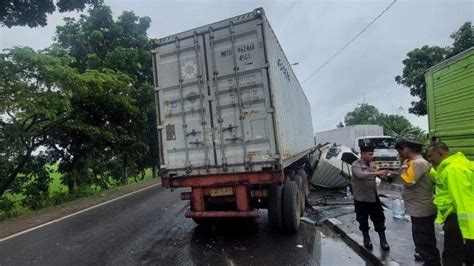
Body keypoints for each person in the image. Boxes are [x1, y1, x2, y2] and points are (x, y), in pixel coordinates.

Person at [427, 142, 474, 266]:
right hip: (457, 221)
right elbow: (442, 180)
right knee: (466, 256)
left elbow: (463, 201)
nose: (429, 158)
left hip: (459, 223)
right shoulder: (449, 168)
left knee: (452, 257)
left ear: (440, 153)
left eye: (430, 155)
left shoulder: (453, 170)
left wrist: (467, 233)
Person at [397, 139, 440, 265]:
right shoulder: (416, 162)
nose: (400, 152)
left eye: (401, 149)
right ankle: (430, 260)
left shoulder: (419, 163)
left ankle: (432, 262)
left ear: (407, 149)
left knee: (423, 240)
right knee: (425, 239)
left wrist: (403, 167)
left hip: (421, 209)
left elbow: (408, 182)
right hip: (418, 208)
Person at [351, 145, 390, 251]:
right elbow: (360, 175)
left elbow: (381, 174)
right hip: (361, 198)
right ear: (363, 154)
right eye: (370, 154)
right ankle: (366, 238)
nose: (372, 156)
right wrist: (377, 173)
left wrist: (386, 174)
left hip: (373, 197)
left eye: (373, 154)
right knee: (362, 219)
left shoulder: (373, 164)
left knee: (379, 218)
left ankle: (383, 240)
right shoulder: (356, 165)